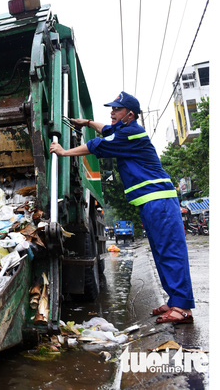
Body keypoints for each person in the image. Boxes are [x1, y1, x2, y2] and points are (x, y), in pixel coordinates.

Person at [49, 91, 194, 324]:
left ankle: (183, 308)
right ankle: (174, 300)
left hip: (160, 200)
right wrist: (86, 122)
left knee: (171, 251)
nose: (112, 112)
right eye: (112, 108)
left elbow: (96, 144)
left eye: (117, 109)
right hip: (150, 202)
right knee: (160, 252)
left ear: (130, 115)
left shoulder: (131, 134)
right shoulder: (122, 131)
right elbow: (104, 129)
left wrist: (64, 152)